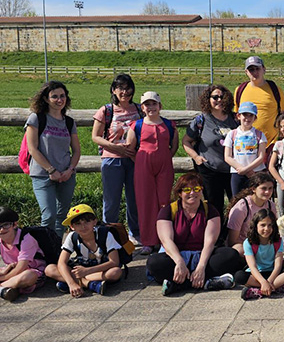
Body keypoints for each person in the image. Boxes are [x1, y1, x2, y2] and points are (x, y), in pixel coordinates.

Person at [146, 173, 244, 296]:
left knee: (230, 255)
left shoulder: (210, 210)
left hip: (202, 255)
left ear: (201, 190)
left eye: (196, 189)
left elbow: (210, 242)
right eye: (187, 190)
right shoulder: (168, 211)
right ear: (179, 193)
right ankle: (207, 282)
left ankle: (179, 284)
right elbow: (167, 241)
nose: (192, 193)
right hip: (176, 255)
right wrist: (179, 262)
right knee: (154, 262)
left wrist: (201, 267)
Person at [92, 74, 142, 243]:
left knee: (134, 198)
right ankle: (109, 235)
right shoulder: (106, 110)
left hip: (134, 160)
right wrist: (114, 147)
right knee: (111, 200)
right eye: (121, 88)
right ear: (113, 90)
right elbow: (96, 137)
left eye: (128, 88)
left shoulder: (139, 109)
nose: (125, 92)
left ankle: (134, 233)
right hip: (112, 160)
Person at [26, 80, 81, 237]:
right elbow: (33, 148)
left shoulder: (69, 122)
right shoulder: (36, 119)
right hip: (43, 174)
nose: (59, 100)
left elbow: (76, 151)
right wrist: (51, 170)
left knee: (62, 217)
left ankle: (56, 250)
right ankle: (44, 249)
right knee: (49, 215)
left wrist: (69, 170)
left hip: (66, 175)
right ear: (46, 99)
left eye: (62, 96)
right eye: (54, 96)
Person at [127, 91, 178, 255]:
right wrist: (142, 161)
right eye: (147, 104)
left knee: (165, 201)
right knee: (145, 203)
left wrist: (164, 158)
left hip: (164, 164)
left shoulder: (170, 125)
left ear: (160, 106)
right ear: (142, 108)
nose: (151, 107)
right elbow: (130, 147)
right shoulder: (136, 126)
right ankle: (148, 241)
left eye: (154, 104)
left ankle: (165, 240)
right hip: (143, 164)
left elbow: (174, 146)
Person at [182, 84, 239, 217]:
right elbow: (186, 141)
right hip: (209, 170)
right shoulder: (201, 120)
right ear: (208, 99)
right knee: (214, 206)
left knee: (236, 205)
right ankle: (216, 236)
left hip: (232, 170)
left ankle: (231, 235)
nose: (219, 100)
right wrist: (196, 157)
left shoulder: (235, 119)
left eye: (222, 97)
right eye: (215, 97)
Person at [46, 204, 123, 297]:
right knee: (49, 269)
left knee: (115, 272)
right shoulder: (72, 237)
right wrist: (71, 284)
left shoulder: (105, 234)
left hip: (100, 269)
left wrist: (87, 271)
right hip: (82, 270)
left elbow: (114, 262)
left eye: (87, 221)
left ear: (94, 221)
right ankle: (90, 284)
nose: (83, 226)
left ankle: (74, 282)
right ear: (72, 226)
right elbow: (61, 263)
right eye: (78, 223)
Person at [236, 209, 284, 300]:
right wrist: (263, 282)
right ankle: (278, 287)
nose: (266, 229)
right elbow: (252, 266)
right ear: (255, 226)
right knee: (239, 276)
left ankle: (258, 291)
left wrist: (269, 281)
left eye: (270, 225)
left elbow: (278, 265)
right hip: (257, 275)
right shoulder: (248, 242)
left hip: (274, 274)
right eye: (263, 225)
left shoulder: (278, 241)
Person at [234, 56, 284, 148]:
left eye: (257, 68)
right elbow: (237, 115)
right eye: (251, 70)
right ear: (246, 72)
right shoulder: (240, 90)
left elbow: (283, 114)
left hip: (271, 144)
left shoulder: (275, 90)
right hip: (246, 144)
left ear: (264, 69)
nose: (255, 72)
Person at [0, 207, 47, 302]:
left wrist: (3, 277)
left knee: (27, 276)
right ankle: (11, 289)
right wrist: (4, 272)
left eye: (6, 225)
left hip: (33, 271)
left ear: (15, 224)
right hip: (11, 271)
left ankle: (3, 286)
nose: (1, 230)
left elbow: (21, 267)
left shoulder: (26, 239)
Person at [225, 172, 277, 255]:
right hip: (244, 245)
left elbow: (273, 231)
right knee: (239, 250)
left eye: (270, 188)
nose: (268, 192)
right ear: (253, 189)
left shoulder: (271, 206)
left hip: (262, 244)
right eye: (263, 188)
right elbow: (232, 240)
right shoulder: (242, 207)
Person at [224, 101, 267, 197]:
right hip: (237, 173)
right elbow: (227, 156)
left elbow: (261, 156)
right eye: (244, 115)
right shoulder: (232, 134)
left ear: (255, 118)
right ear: (238, 116)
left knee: (256, 198)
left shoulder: (259, 135)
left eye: (250, 115)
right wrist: (241, 169)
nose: (247, 118)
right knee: (237, 199)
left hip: (255, 172)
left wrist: (247, 169)